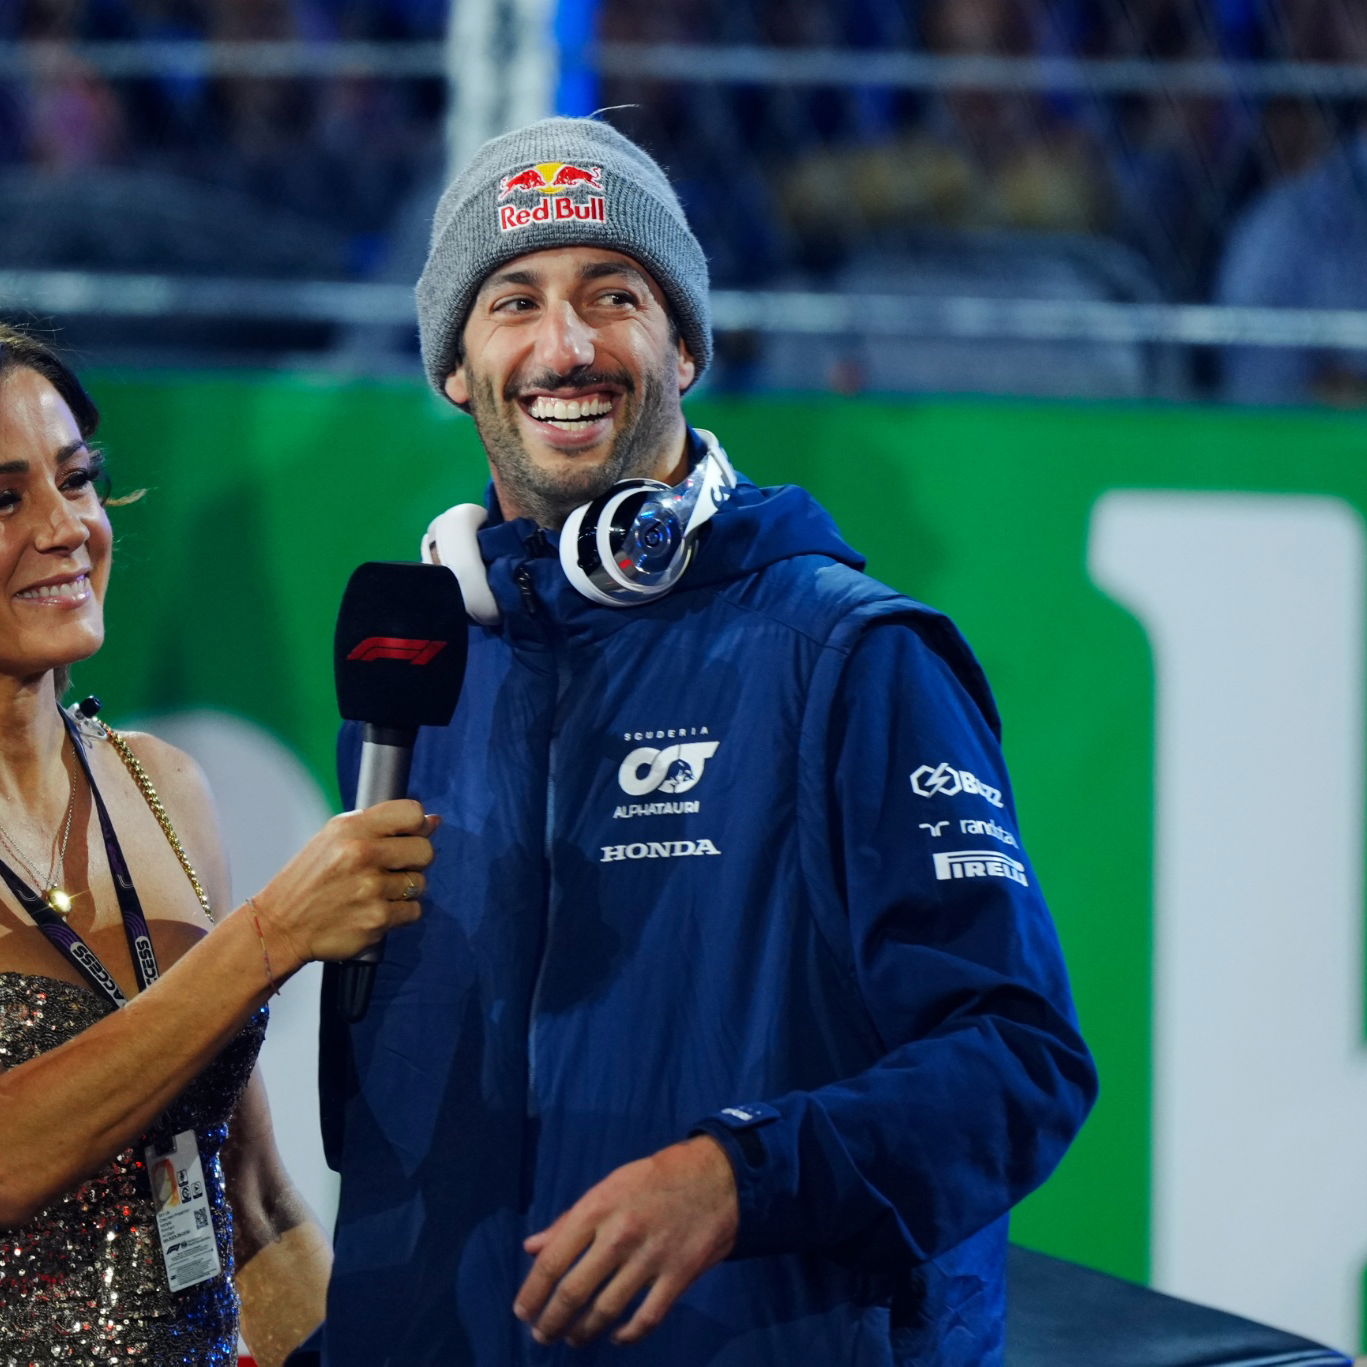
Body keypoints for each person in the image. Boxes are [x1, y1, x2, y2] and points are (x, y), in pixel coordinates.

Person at [322, 116, 1097, 1366]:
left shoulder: (847, 652)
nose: (563, 347)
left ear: (681, 341)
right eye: (512, 301)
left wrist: (733, 1175)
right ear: (456, 368)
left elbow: (1018, 1061)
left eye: (611, 295)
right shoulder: (419, 677)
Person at [0, 324, 436, 1365]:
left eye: (79, 479)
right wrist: (271, 934)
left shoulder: (161, 789)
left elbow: (250, 1198)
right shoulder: (259, 922)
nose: (68, 528)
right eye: (3, 498)